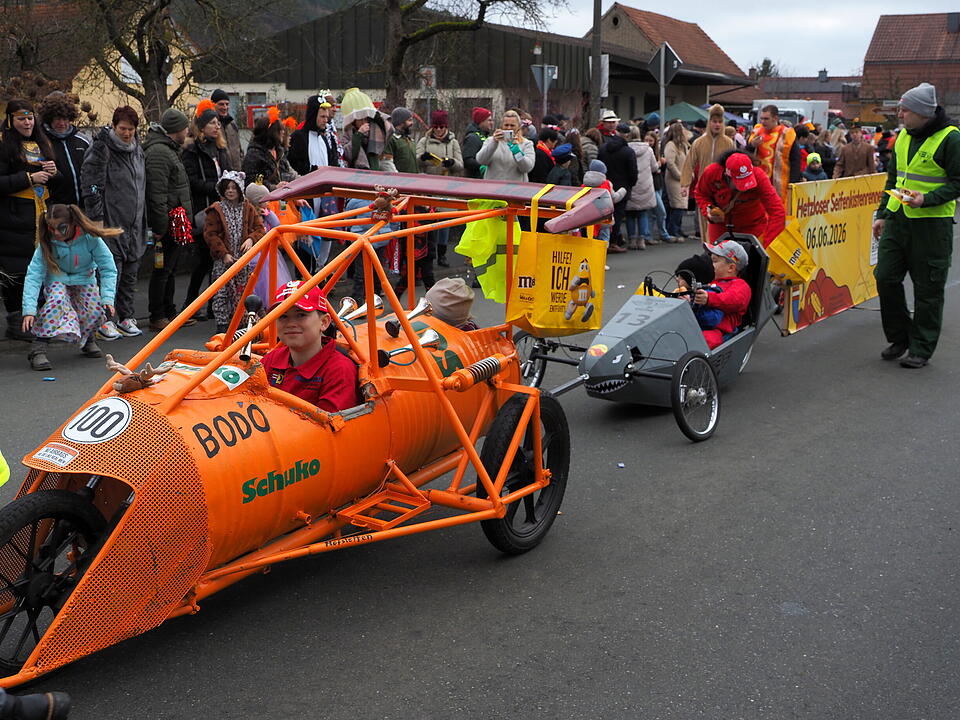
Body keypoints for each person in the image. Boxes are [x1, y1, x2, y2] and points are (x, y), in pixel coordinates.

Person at [872, 82, 960, 369]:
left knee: (928, 289)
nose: (899, 115)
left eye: (904, 110)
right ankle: (900, 336)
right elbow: (893, 179)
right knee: (885, 277)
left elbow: (958, 183)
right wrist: (883, 214)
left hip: (932, 225)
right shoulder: (902, 138)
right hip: (898, 220)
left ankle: (921, 347)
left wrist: (929, 199)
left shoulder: (951, 139)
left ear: (923, 113)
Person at [21, 203, 119, 370]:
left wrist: (108, 298)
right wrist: (29, 310)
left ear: (74, 223)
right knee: (56, 301)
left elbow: (108, 268)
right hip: (57, 279)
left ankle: (88, 340)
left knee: (95, 310)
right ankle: (38, 349)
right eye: (52, 229)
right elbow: (34, 275)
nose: (56, 233)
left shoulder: (91, 239)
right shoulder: (47, 242)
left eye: (62, 228)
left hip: (84, 279)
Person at [81, 105, 147, 340]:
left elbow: (141, 186)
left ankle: (126, 316)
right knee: (111, 272)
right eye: (123, 129)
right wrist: (96, 218)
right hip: (110, 220)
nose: (127, 133)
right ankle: (103, 319)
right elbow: (91, 185)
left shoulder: (138, 149)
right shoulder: (101, 149)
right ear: (114, 126)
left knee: (131, 270)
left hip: (135, 221)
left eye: (131, 129)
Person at [0, 99, 60, 341]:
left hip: (40, 215)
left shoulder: (43, 142)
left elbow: (58, 183)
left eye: (30, 117)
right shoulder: (4, 146)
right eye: (21, 118)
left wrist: (56, 173)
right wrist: (28, 178)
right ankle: (17, 322)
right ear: (10, 121)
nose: (26, 122)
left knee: (40, 270)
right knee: (18, 273)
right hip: (13, 218)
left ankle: (41, 321)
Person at [260, 281, 361, 413]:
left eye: (301, 315)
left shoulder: (339, 369)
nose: (290, 323)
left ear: (324, 322)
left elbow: (329, 428)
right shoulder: (271, 360)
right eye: (283, 316)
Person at [144, 107, 192, 331]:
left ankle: (170, 311)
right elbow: (157, 192)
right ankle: (158, 315)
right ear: (176, 130)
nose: (187, 131)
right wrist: (161, 225)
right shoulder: (160, 153)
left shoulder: (168, 150)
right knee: (162, 270)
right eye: (185, 127)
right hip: (167, 223)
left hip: (174, 221)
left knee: (170, 269)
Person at [182, 100, 230, 322]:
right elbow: (191, 181)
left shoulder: (220, 149)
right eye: (212, 123)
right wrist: (216, 185)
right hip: (205, 210)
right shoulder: (193, 150)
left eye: (217, 122)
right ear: (201, 127)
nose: (217, 126)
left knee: (217, 259)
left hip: (220, 209)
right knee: (203, 261)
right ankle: (191, 303)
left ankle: (214, 304)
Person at [203, 170, 265, 333]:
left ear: (239, 190)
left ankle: (243, 324)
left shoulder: (248, 208)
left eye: (234, 188)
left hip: (242, 261)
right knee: (221, 293)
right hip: (224, 261)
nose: (230, 191)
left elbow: (260, 228)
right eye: (227, 188)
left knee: (243, 292)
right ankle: (222, 327)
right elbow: (211, 234)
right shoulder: (216, 210)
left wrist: (251, 238)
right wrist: (223, 253)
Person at [693, 150, 785, 247]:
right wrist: (708, 210)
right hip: (720, 227)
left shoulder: (759, 176)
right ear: (727, 176)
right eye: (739, 181)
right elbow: (701, 194)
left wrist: (768, 245)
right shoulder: (712, 172)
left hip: (753, 227)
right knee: (717, 259)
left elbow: (777, 211)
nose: (745, 186)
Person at [682, 104, 735, 242]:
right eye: (714, 121)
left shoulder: (729, 143)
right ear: (709, 123)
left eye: (720, 122)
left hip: (723, 190)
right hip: (704, 190)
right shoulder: (699, 143)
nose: (717, 125)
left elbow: (734, 164)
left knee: (721, 223)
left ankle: (719, 251)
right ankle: (708, 250)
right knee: (705, 222)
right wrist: (685, 185)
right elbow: (689, 163)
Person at [693, 239, 751, 349]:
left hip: (718, 329)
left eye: (714, 261)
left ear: (731, 268)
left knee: (701, 341)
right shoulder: (710, 281)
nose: (710, 264)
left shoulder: (740, 285)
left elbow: (733, 300)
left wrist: (709, 298)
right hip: (698, 321)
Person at [37, 92, 90, 207]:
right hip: (57, 210)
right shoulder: (40, 143)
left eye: (65, 118)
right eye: (57, 118)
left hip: (85, 209)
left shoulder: (83, 140)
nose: (61, 123)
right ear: (49, 118)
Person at [598, 122, 638, 252]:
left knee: (603, 214)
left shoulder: (603, 148)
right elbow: (633, 173)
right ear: (627, 136)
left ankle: (603, 240)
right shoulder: (628, 152)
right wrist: (630, 185)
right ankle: (613, 241)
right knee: (618, 215)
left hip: (604, 185)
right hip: (622, 187)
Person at [748, 104, 801, 203]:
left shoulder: (787, 133)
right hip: (758, 182)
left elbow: (795, 160)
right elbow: (745, 154)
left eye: (766, 119)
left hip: (779, 183)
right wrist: (751, 145)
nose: (763, 122)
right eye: (761, 119)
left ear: (775, 118)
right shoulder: (756, 132)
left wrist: (793, 182)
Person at [242, 108, 298, 190]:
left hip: (282, 198)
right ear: (271, 132)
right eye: (279, 130)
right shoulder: (254, 155)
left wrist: (304, 180)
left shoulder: (279, 152)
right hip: (264, 199)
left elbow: (288, 173)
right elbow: (250, 180)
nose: (283, 132)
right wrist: (273, 187)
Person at [339, 88, 393, 171]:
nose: (364, 121)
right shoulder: (349, 134)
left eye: (366, 118)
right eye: (360, 119)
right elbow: (347, 154)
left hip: (375, 172)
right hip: (358, 174)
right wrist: (358, 135)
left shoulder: (375, 130)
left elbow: (388, 128)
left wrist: (376, 115)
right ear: (353, 120)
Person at [474, 110, 535, 182]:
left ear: (518, 127)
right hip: (492, 188)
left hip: (516, 189)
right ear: (501, 126)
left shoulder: (526, 144)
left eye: (512, 125)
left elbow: (527, 168)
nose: (509, 128)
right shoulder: (491, 141)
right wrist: (494, 143)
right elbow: (480, 160)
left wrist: (517, 153)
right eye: (506, 125)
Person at [624, 126, 659, 250]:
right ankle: (642, 239)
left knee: (630, 214)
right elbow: (654, 167)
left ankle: (632, 239)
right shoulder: (648, 150)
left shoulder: (626, 149)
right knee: (643, 213)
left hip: (630, 184)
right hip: (645, 185)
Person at [581, 159, 626, 243]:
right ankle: (602, 254)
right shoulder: (607, 184)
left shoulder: (584, 185)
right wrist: (622, 191)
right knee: (604, 240)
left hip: (589, 217)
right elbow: (614, 198)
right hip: (604, 216)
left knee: (591, 239)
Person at [643, 132, 673, 244]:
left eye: (650, 141)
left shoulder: (657, 152)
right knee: (661, 211)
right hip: (650, 185)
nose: (648, 143)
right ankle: (663, 233)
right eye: (646, 140)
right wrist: (660, 163)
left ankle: (649, 235)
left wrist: (662, 163)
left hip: (658, 183)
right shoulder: (646, 152)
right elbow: (653, 167)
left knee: (652, 213)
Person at [662, 122, 690, 241]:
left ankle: (676, 229)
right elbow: (670, 163)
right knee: (678, 205)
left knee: (681, 205)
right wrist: (680, 175)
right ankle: (673, 231)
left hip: (683, 178)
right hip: (675, 179)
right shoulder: (671, 145)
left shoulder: (684, 145)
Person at [210, 89, 242, 170]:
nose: (225, 107)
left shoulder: (232, 124)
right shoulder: (209, 126)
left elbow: (239, 150)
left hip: (237, 173)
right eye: (221, 104)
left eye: (227, 104)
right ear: (213, 105)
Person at [382, 107, 418, 174]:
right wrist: (397, 178)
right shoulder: (391, 139)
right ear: (401, 122)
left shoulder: (410, 140)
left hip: (413, 181)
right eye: (409, 120)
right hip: (400, 181)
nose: (412, 123)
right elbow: (386, 163)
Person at [462, 107, 493, 179]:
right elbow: (467, 160)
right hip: (475, 179)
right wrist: (482, 166)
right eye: (489, 120)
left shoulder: (485, 136)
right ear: (481, 121)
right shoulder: (472, 137)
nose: (491, 123)